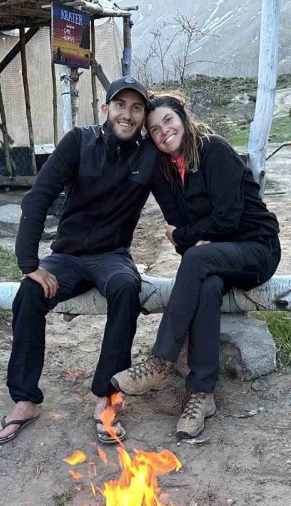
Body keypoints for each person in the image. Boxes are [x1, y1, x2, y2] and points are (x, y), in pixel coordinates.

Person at [0, 77, 155, 446]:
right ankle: (26, 399)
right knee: (30, 293)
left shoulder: (149, 156)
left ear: (143, 116)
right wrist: (30, 263)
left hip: (112, 257)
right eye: (120, 105)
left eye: (136, 108)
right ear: (105, 109)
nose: (127, 115)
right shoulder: (79, 142)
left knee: (128, 287)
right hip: (67, 256)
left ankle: (106, 397)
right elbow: (38, 197)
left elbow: (179, 199)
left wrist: (190, 232)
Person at [111, 92, 281, 439]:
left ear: (184, 119)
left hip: (256, 249)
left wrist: (191, 237)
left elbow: (227, 219)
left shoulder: (213, 150)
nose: (164, 132)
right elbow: (179, 236)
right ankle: (201, 394)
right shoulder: (163, 171)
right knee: (207, 284)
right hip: (213, 262)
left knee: (197, 257)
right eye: (155, 130)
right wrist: (193, 238)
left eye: (169, 121)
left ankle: (161, 360)